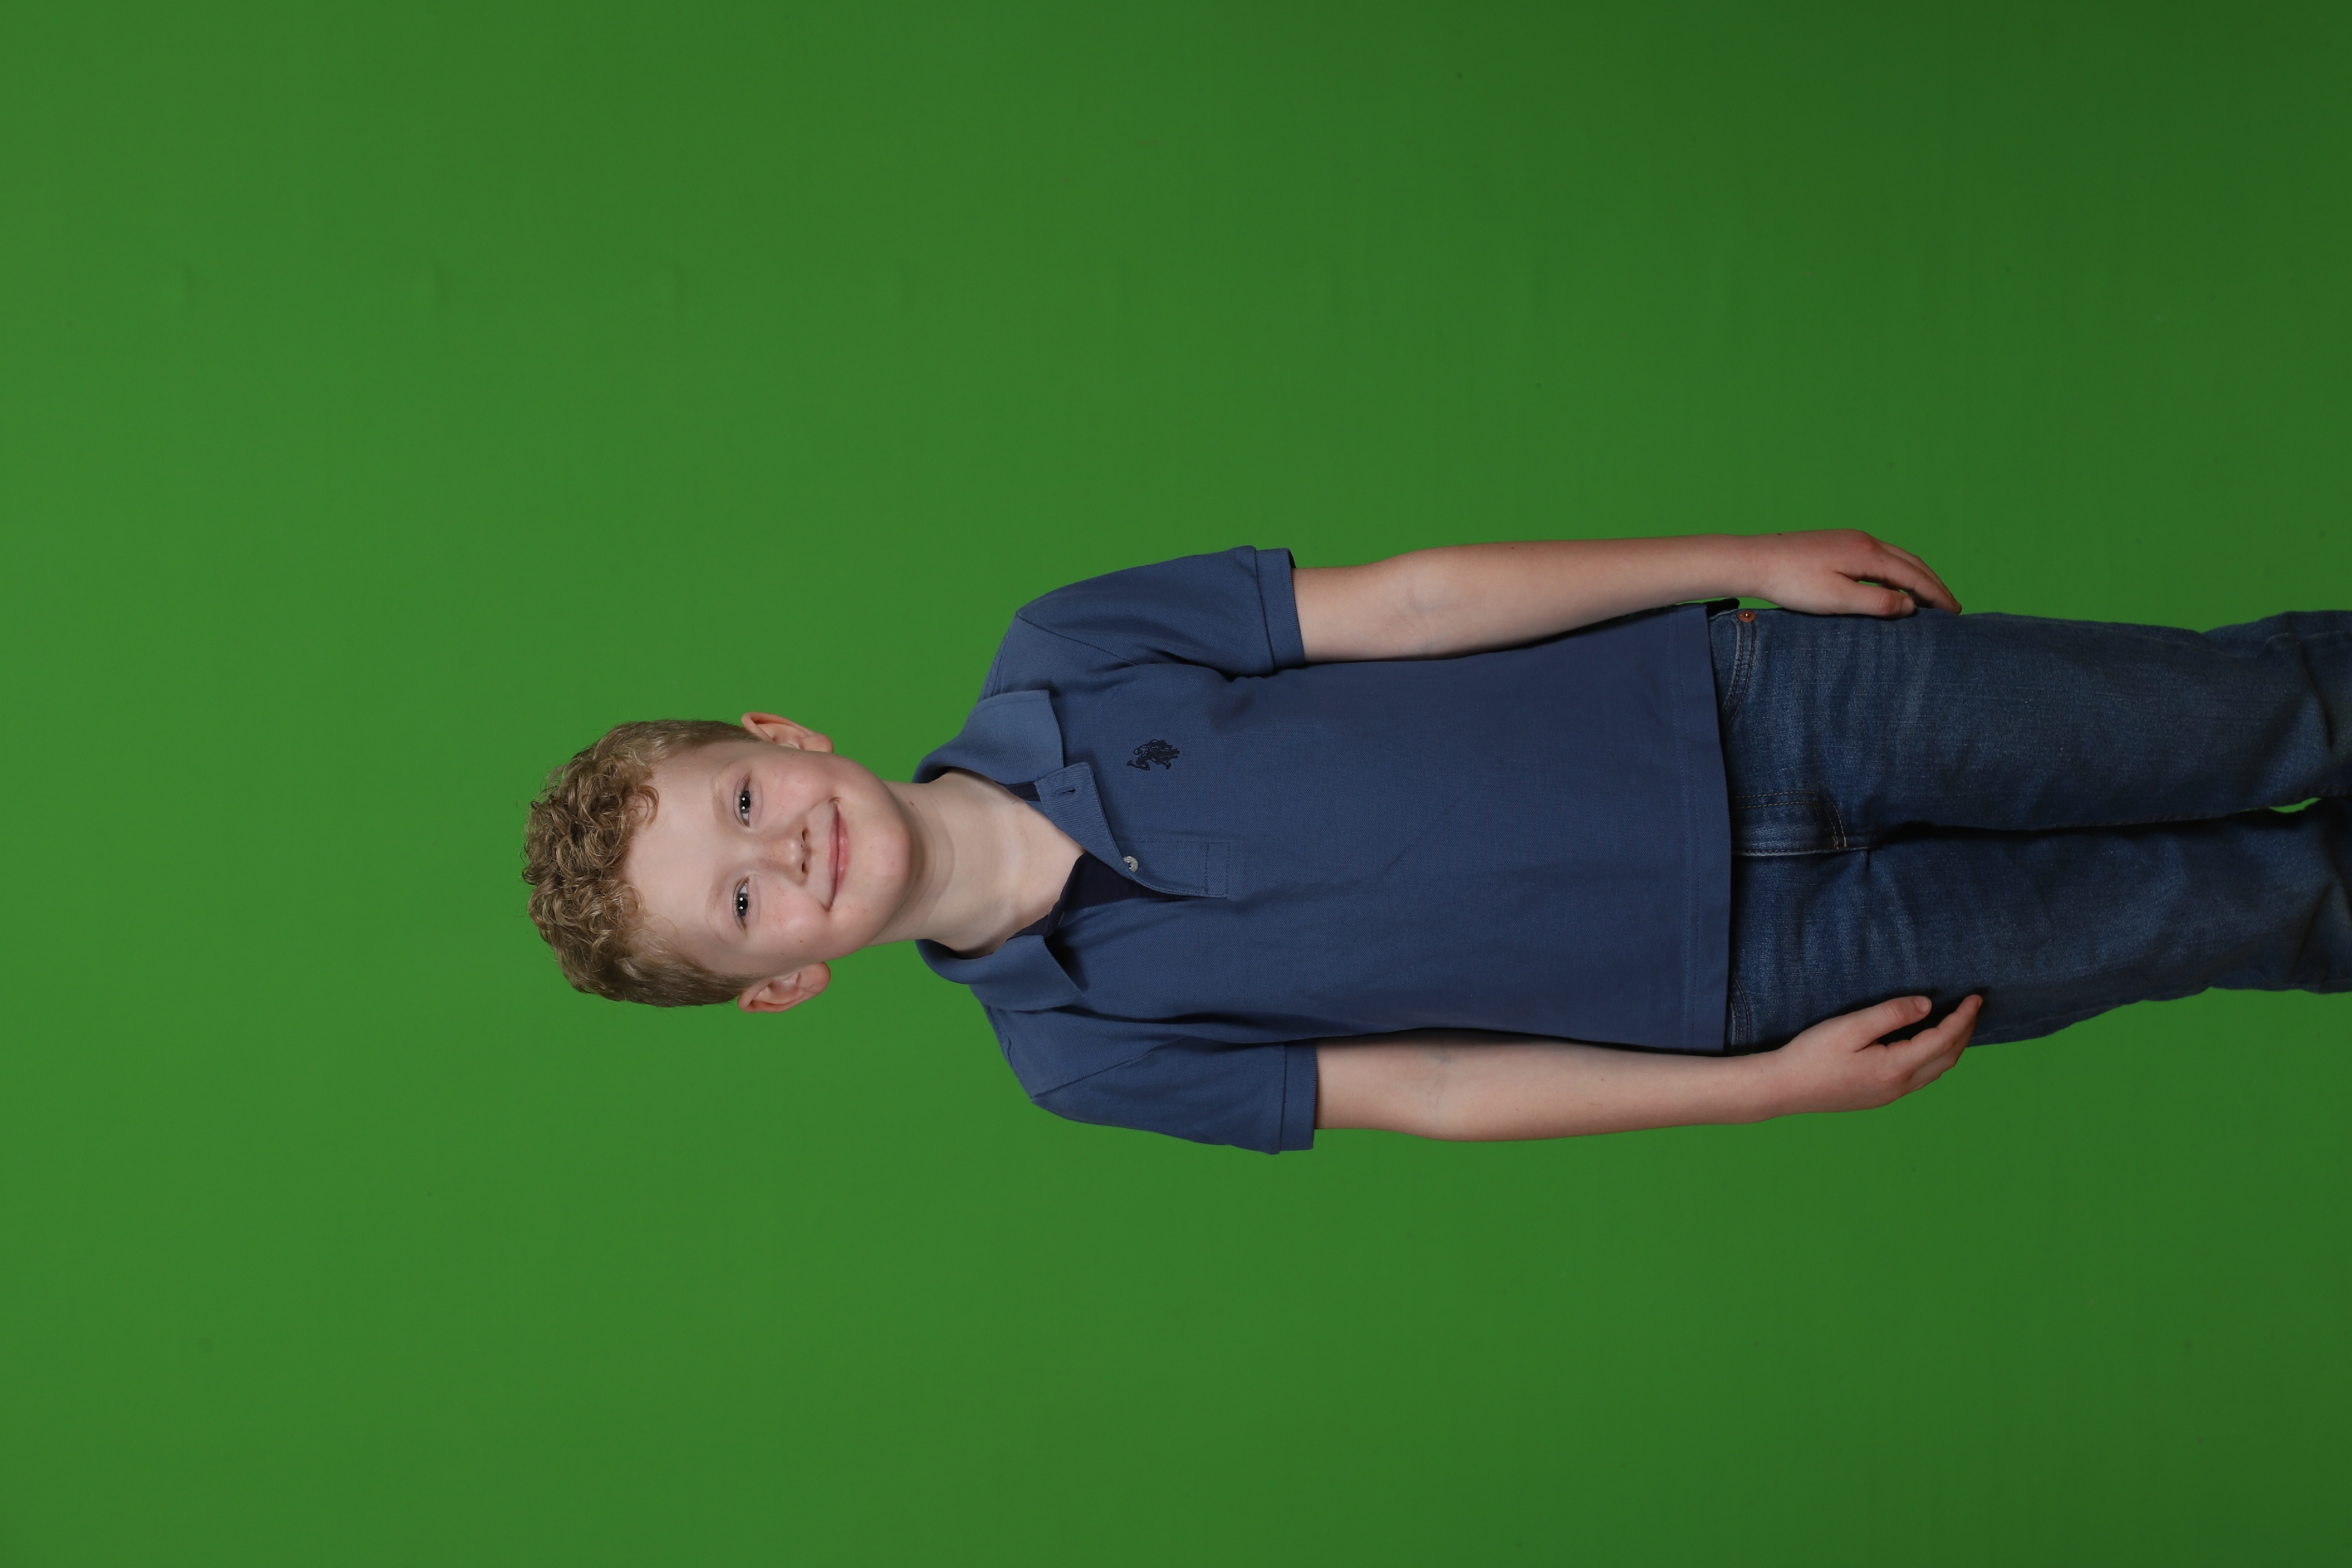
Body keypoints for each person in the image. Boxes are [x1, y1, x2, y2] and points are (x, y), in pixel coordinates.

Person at [522, 532, 2352, 1153]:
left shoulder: (1071, 645)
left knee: (2238, 714)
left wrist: (1738, 562)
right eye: (742, 905)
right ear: (783, 986)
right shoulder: (1081, 1058)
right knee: (2228, 906)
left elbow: (1415, 601)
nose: (789, 854)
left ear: (783, 738)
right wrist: (1766, 1090)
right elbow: (1441, 1090)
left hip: (1763, 707)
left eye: (745, 804)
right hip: (1763, 977)